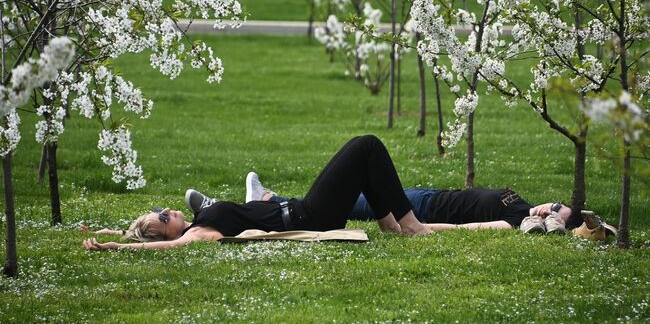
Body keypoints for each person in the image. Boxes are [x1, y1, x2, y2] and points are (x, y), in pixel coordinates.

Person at [83, 135, 433, 251]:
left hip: (300, 209)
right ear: (166, 231)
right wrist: (120, 247)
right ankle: (411, 226)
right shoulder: (200, 233)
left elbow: (154, 238)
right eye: (162, 217)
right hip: (308, 216)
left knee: (362, 158)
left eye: (160, 209)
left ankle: (391, 224)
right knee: (366, 147)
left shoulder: (199, 221)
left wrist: (115, 232)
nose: (168, 210)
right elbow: (169, 247)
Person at [186, 175, 582, 235]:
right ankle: (265, 203)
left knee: (349, 204)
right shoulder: (525, 202)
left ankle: (267, 203)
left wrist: (545, 225)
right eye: (556, 205)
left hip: (423, 211)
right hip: (427, 195)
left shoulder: (516, 220)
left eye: (554, 215)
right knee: (350, 198)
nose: (548, 209)